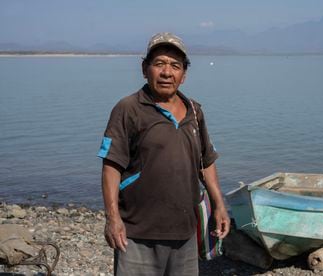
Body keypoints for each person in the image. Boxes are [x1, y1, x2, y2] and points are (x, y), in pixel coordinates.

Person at [97, 32, 230, 275]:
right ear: (144, 68)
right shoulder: (128, 109)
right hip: (137, 234)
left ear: (184, 75)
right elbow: (111, 167)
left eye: (175, 66)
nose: (167, 72)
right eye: (159, 64)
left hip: (185, 232)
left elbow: (206, 162)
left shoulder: (194, 111)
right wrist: (112, 218)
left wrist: (220, 204)